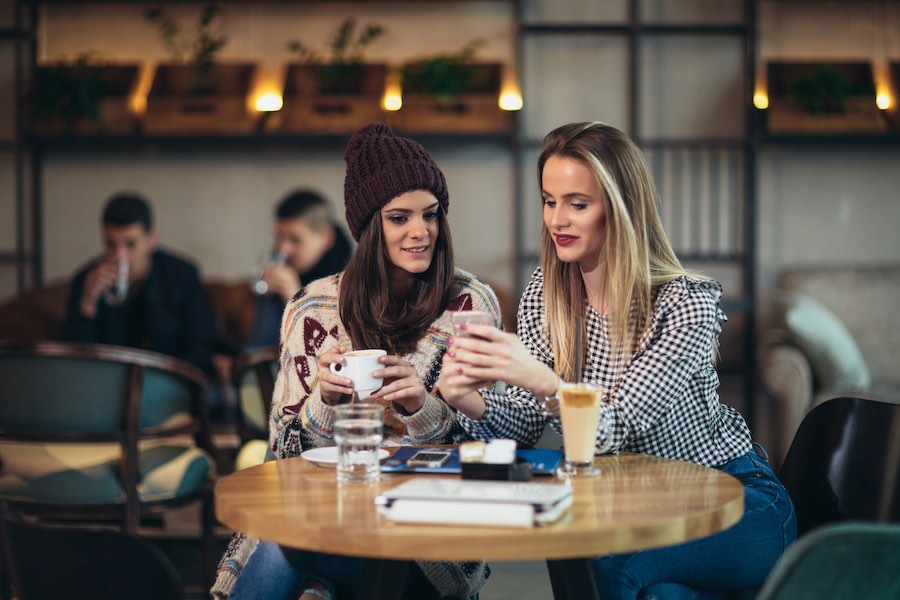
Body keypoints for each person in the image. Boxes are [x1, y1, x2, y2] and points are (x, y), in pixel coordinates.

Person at [438, 122, 796, 600]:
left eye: (577, 204)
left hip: (734, 499)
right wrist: (469, 401)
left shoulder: (685, 305)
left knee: (606, 558)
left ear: (621, 209)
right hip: (633, 505)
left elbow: (614, 427)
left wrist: (545, 382)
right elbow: (524, 424)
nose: (557, 220)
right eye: (549, 201)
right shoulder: (545, 297)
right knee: (655, 592)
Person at [212, 123, 500, 600]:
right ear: (368, 228)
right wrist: (324, 401)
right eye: (399, 218)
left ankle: (320, 588)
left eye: (430, 215)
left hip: (421, 529)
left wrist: (421, 409)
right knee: (293, 537)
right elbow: (283, 457)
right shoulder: (313, 308)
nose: (420, 232)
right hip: (322, 511)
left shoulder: (469, 305)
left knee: (312, 553)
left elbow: (492, 449)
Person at [62, 192, 221, 380]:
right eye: (111, 244)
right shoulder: (86, 281)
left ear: (151, 240)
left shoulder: (181, 275)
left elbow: (203, 345)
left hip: (171, 387)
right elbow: (73, 364)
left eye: (130, 244)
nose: (120, 256)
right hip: (108, 389)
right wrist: (87, 306)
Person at [246, 189, 353, 350]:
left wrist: (295, 297)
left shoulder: (353, 275)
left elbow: (335, 350)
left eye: (295, 240)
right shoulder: (282, 270)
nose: (283, 249)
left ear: (326, 238)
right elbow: (260, 346)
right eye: (279, 238)